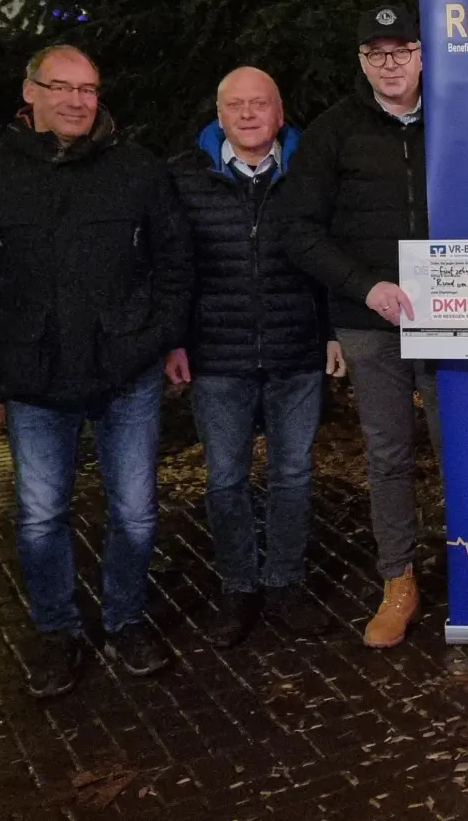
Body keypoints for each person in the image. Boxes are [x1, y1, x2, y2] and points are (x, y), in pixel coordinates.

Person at [0, 45, 192, 697]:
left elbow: (175, 266)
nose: (79, 101)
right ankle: (57, 632)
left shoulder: (136, 170)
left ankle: (126, 619)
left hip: (125, 372)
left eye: (89, 89)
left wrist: (156, 337)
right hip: (33, 377)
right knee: (39, 516)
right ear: (31, 93)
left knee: (136, 513)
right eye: (63, 87)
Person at [166, 66, 344, 648]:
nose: (247, 115)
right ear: (217, 116)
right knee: (225, 480)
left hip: (296, 350)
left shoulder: (309, 175)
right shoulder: (184, 180)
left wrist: (334, 331)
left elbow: (328, 259)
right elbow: (173, 272)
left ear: (280, 112)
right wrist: (174, 338)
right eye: (235, 105)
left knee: (293, 476)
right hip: (218, 356)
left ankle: (286, 582)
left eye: (259, 104)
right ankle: (238, 587)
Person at [281, 5, 438, 649]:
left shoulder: (459, 113)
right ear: (362, 63)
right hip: (369, 321)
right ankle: (398, 579)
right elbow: (299, 230)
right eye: (377, 54)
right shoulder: (333, 130)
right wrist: (362, 286)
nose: (391, 64)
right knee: (389, 454)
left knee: (462, 446)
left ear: (423, 54)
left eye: (401, 50)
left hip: (454, 315)